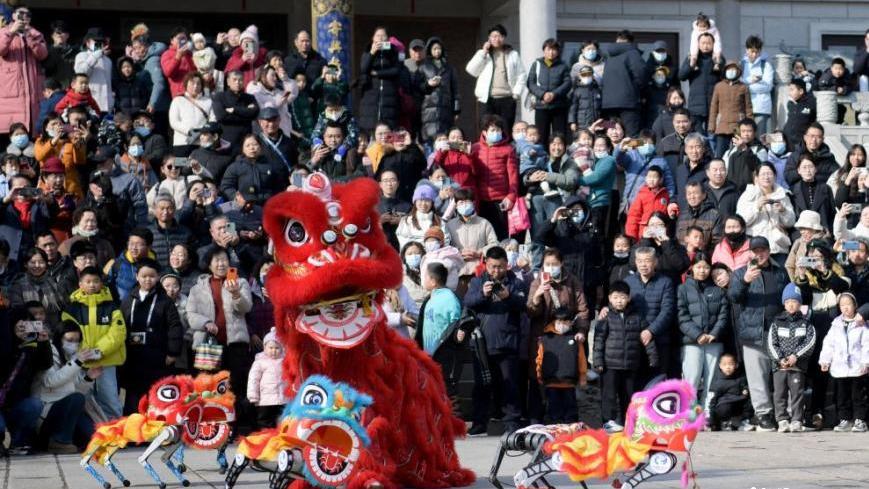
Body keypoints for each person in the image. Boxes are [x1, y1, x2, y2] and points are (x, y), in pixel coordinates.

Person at [187, 247, 254, 431]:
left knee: (237, 385)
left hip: (236, 344)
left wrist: (235, 294)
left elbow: (245, 308)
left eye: (224, 260)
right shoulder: (197, 288)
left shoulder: (239, 283)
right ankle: (212, 426)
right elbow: (190, 314)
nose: (221, 263)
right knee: (209, 385)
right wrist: (205, 322)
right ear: (209, 264)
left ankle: (239, 426)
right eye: (216, 260)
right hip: (208, 345)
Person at [728, 236, 790, 432]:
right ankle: (763, 414)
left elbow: (789, 298)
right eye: (755, 251)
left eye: (762, 250)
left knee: (782, 375)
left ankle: (784, 413)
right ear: (749, 253)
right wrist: (745, 281)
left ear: (769, 251)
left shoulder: (780, 272)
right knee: (757, 378)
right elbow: (733, 297)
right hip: (753, 333)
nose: (759, 254)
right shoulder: (739, 273)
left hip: (778, 333)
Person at [464, 246, 528, 435]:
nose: (496, 271)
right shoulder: (477, 282)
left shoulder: (515, 283)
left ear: (507, 265)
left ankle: (512, 422)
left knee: (510, 384)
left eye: (500, 267)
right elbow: (468, 302)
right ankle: (479, 422)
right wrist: (482, 294)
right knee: (481, 385)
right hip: (482, 343)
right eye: (492, 267)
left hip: (508, 343)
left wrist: (508, 297)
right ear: (485, 265)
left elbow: (523, 305)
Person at [60, 265, 126, 420]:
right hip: (80, 362)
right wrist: (84, 353)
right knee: (84, 400)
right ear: (80, 284)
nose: (92, 285)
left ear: (101, 283)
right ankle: (89, 434)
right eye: (88, 281)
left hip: (106, 361)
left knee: (109, 398)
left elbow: (117, 333)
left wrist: (99, 351)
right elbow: (67, 334)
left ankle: (115, 433)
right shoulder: (71, 309)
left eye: (96, 281)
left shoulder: (111, 307)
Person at [119, 259, 182, 414]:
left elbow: (174, 326)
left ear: (158, 277)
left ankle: (155, 429)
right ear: (137, 277)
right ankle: (133, 429)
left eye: (152, 276)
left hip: (156, 355)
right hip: (132, 356)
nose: (147, 279)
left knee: (156, 392)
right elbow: (120, 325)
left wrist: (173, 352)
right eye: (144, 276)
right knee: (133, 395)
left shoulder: (165, 301)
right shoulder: (128, 299)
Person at [593, 280, 658, 431]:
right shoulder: (606, 318)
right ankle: (608, 422)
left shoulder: (637, 317)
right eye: (615, 297)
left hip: (630, 364)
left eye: (622, 297)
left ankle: (627, 422)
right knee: (609, 395)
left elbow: (647, 339)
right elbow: (599, 341)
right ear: (609, 298)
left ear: (628, 298)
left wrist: (652, 357)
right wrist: (598, 361)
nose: (619, 301)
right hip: (610, 365)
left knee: (628, 396)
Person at [678, 252, 729, 411]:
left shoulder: (718, 289)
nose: (702, 271)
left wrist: (714, 333)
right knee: (691, 380)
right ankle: (689, 414)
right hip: (692, 342)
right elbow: (682, 316)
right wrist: (698, 335)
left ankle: (708, 414)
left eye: (706, 267)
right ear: (692, 268)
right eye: (698, 267)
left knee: (711, 381)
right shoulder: (683, 289)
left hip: (714, 341)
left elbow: (723, 314)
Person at [767, 282, 816, 433]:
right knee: (779, 393)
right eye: (787, 302)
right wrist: (780, 359)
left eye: (794, 301)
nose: (791, 305)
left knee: (797, 394)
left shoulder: (806, 324)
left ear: (800, 303)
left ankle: (796, 420)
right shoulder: (776, 322)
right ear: (783, 304)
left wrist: (796, 356)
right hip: (779, 367)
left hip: (797, 367)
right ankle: (782, 420)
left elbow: (810, 342)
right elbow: (771, 344)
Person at [621, 246, 676, 377]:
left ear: (655, 262)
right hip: (634, 339)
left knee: (656, 381)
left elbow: (667, 311)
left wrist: (650, 331)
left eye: (647, 261)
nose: (643, 265)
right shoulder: (628, 282)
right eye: (639, 261)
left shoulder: (665, 282)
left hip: (659, 339)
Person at [819, 292, 869, 433]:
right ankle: (844, 419)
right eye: (842, 305)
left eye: (848, 305)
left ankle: (860, 420)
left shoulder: (862, 324)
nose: (845, 308)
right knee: (842, 396)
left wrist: (866, 362)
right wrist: (825, 360)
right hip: (840, 368)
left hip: (857, 367)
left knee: (858, 396)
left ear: (855, 306)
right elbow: (828, 344)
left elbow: (867, 344)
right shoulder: (835, 324)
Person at [465, 24, 526, 130]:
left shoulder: (512, 54)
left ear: (504, 38)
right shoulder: (483, 54)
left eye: (499, 36)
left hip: (507, 98)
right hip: (487, 99)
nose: (496, 39)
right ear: (489, 38)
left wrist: (516, 93)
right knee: (486, 129)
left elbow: (522, 74)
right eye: (493, 36)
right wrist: (483, 52)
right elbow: (471, 70)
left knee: (506, 129)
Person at [736, 163, 796, 265]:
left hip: (778, 246)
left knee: (781, 277)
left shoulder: (782, 195)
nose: (766, 177)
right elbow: (741, 222)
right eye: (763, 174)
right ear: (756, 177)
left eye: (769, 174)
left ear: (775, 176)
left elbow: (791, 222)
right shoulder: (748, 195)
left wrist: (783, 210)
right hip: (756, 248)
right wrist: (756, 207)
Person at [471, 115, 519, 239]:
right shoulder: (475, 148)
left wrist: (511, 196)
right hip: (481, 200)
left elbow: (513, 175)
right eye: (492, 130)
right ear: (484, 132)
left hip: (501, 200)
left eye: (498, 130)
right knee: (482, 236)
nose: (496, 133)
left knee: (501, 236)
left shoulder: (508, 149)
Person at [535, 306, 585, 424]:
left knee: (571, 411)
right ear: (554, 321)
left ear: (571, 323)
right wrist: (539, 374)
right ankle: (556, 429)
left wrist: (583, 377)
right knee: (554, 411)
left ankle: (571, 431)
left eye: (565, 322)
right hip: (551, 382)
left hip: (569, 383)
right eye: (559, 322)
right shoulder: (546, 339)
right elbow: (540, 358)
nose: (562, 324)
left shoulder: (575, 339)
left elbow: (581, 359)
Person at [0, 7, 46, 134]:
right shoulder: (3, 32)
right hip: (9, 94)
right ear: (13, 16)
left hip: (32, 94)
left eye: (28, 14)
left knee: (31, 136)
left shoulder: (36, 34)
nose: (24, 16)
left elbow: (42, 54)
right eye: (21, 13)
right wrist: (11, 32)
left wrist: (29, 36)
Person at [600, 30, 646, 136]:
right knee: (632, 136)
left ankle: (611, 152)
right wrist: (637, 89)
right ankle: (630, 153)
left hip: (608, 105)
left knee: (611, 133)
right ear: (630, 41)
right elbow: (642, 74)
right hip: (629, 104)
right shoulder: (633, 53)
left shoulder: (608, 56)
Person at [526, 38, 570, 144]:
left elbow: (567, 83)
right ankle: (543, 158)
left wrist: (554, 94)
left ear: (558, 51)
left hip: (559, 106)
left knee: (559, 136)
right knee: (541, 135)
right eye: (548, 49)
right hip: (541, 106)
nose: (551, 52)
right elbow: (530, 83)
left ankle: (559, 159)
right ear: (544, 50)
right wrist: (543, 94)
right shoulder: (537, 64)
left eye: (554, 49)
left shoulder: (563, 65)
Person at [357, 27, 401, 132]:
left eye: (383, 36)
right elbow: (363, 68)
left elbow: (396, 70)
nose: (380, 38)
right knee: (371, 128)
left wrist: (377, 73)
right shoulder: (368, 51)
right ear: (373, 38)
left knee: (388, 129)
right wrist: (372, 52)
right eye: (378, 36)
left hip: (388, 95)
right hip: (371, 94)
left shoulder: (393, 51)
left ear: (387, 39)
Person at [221, 134, 283, 206]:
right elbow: (226, 186)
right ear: (243, 149)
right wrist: (236, 196)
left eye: (255, 144)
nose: (252, 148)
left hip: (268, 205)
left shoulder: (270, 166)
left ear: (261, 147)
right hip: (245, 206)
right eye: (248, 145)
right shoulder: (235, 167)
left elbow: (279, 186)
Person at [419, 37, 460, 144]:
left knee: (445, 138)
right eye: (434, 49)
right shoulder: (423, 67)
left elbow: (455, 89)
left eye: (439, 48)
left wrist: (456, 109)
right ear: (429, 50)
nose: (437, 51)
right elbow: (418, 87)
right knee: (429, 138)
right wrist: (428, 84)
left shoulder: (449, 68)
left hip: (446, 107)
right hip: (428, 108)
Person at [678, 32, 722, 133]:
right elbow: (681, 76)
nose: (705, 46)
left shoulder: (718, 58)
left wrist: (719, 64)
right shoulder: (692, 57)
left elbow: (725, 77)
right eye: (703, 43)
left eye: (708, 43)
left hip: (713, 104)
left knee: (712, 135)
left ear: (713, 44)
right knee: (696, 134)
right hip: (695, 105)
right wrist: (691, 65)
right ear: (698, 44)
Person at [708, 62, 752, 159]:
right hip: (722, 126)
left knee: (737, 154)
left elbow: (748, 107)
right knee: (719, 155)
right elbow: (713, 107)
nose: (731, 72)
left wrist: (750, 125)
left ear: (738, 72)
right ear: (725, 71)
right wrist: (712, 125)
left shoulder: (743, 87)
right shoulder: (719, 86)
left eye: (734, 70)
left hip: (738, 126)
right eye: (729, 69)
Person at [416, 262, 462, 356]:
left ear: (433, 282)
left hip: (443, 356)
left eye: (425, 276)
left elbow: (457, 323)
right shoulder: (430, 298)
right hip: (428, 355)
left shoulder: (449, 298)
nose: (423, 279)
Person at [246, 327, 287, 429]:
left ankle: (279, 436)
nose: (274, 351)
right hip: (265, 400)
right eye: (271, 348)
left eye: (277, 348)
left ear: (282, 348)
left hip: (283, 398)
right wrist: (253, 395)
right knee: (265, 420)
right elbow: (253, 379)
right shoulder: (260, 362)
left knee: (283, 419)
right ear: (265, 348)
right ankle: (265, 436)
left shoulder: (285, 362)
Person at [104, 227, 156, 301]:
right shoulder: (114, 264)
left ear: (149, 246)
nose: (134, 248)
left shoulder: (156, 266)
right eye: (131, 243)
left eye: (139, 244)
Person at [212, 70, 259, 150]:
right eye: (234, 80)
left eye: (240, 80)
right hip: (227, 140)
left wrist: (235, 110)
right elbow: (221, 117)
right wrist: (246, 113)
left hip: (245, 140)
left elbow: (254, 114)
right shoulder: (219, 97)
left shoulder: (249, 98)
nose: (238, 82)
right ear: (228, 82)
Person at [168, 72, 214, 154]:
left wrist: (204, 132)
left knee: (200, 166)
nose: (195, 86)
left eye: (198, 84)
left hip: (202, 144)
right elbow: (174, 122)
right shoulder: (177, 100)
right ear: (186, 85)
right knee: (181, 165)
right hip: (181, 143)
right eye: (192, 83)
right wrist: (189, 130)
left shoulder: (208, 101)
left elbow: (213, 121)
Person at [246, 64, 297, 138]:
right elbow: (263, 111)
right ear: (263, 75)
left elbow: (293, 94)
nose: (275, 78)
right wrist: (278, 104)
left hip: (283, 133)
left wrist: (286, 79)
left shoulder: (278, 92)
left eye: (276, 76)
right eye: (272, 75)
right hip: (265, 135)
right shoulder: (255, 89)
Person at [789, 155, 834, 236]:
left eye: (810, 167)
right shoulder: (793, 190)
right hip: (801, 235)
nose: (808, 170)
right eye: (804, 167)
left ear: (816, 169)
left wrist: (829, 231)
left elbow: (832, 213)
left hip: (822, 233)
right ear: (799, 170)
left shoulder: (826, 188)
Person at [785, 123, 838, 190]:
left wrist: (814, 177)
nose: (814, 140)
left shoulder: (828, 157)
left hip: (821, 192)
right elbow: (788, 176)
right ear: (805, 137)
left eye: (818, 137)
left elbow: (836, 176)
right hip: (799, 193)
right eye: (811, 136)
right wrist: (803, 172)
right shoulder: (795, 155)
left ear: (822, 139)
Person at [707, 353, 752, 431]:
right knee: (724, 408)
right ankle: (724, 422)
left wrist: (745, 389)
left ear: (736, 365)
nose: (728, 367)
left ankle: (741, 422)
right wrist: (712, 421)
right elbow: (712, 402)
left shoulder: (740, 377)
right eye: (724, 364)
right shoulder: (718, 382)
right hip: (725, 405)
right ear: (720, 366)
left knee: (749, 402)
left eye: (731, 364)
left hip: (738, 402)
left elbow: (745, 385)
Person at [73, 27, 112, 113]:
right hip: (89, 104)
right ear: (87, 43)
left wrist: (111, 101)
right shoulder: (81, 55)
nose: (99, 44)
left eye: (101, 41)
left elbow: (109, 84)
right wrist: (96, 55)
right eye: (95, 41)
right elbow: (81, 72)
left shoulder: (108, 60)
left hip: (106, 105)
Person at [625, 165, 670, 241]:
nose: (651, 180)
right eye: (649, 177)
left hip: (661, 233)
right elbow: (634, 216)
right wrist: (631, 236)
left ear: (661, 179)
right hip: (645, 233)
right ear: (645, 178)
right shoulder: (642, 194)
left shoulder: (665, 195)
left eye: (654, 177)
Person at [723, 118, 768, 193]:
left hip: (752, 191)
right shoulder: (731, 150)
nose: (746, 134)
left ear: (754, 133)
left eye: (749, 131)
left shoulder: (760, 150)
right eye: (743, 131)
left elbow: (759, 168)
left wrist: (745, 149)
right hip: (731, 190)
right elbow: (725, 169)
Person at [741, 36, 774, 134]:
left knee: (760, 138)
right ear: (747, 50)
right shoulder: (741, 65)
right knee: (745, 138)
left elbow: (768, 86)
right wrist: (752, 81)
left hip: (761, 108)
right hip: (744, 107)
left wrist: (746, 84)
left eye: (757, 52)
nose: (754, 54)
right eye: (752, 51)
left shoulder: (766, 65)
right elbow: (738, 84)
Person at [160, 27, 196, 98]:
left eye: (184, 38)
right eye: (179, 38)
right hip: (180, 94)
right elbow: (168, 72)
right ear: (172, 40)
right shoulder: (167, 54)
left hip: (194, 92)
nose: (182, 41)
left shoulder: (190, 54)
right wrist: (178, 57)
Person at [782, 79, 816, 153]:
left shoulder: (811, 104)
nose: (789, 93)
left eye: (792, 90)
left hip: (802, 144)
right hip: (788, 142)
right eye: (789, 90)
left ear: (801, 91)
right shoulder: (791, 104)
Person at [817, 57, 852, 124]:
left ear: (844, 69)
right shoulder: (827, 76)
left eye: (840, 69)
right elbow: (821, 86)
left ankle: (840, 123)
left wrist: (844, 89)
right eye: (836, 68)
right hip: (826, 101)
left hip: (839, 100)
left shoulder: (846, 74)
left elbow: (850, 85)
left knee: (842, 109)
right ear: (831, 68)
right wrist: (835, 89)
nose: (838, 71)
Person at [43, 20, 75, 89]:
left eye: (62, 32)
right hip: (53, 90)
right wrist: (55, 49)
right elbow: (48, 67)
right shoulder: (46, 51)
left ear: (67, 35)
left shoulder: (74, 51)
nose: (59, 35)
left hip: (70, 89)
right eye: (57, 32)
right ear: (52, 36)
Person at [569, 65, 601, 131]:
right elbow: (573, 108)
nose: (587, 77)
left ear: (592, 76)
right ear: (580, 76)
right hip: (582, 124)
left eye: (589, 74)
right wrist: (572, 122)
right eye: (584, 74)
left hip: (597, 123)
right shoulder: (576, 91)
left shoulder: (597, 90)